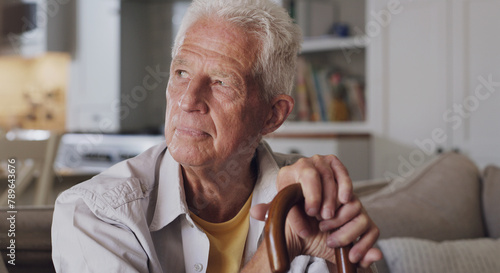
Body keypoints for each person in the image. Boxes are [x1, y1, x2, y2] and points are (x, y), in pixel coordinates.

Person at [51, 0, 382, 272]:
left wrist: (347, 259)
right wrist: (275, 250)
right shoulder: (93, 213)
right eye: (181, 73)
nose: (188, 100)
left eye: (222, 82)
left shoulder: (308, 202)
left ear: (273, 114)